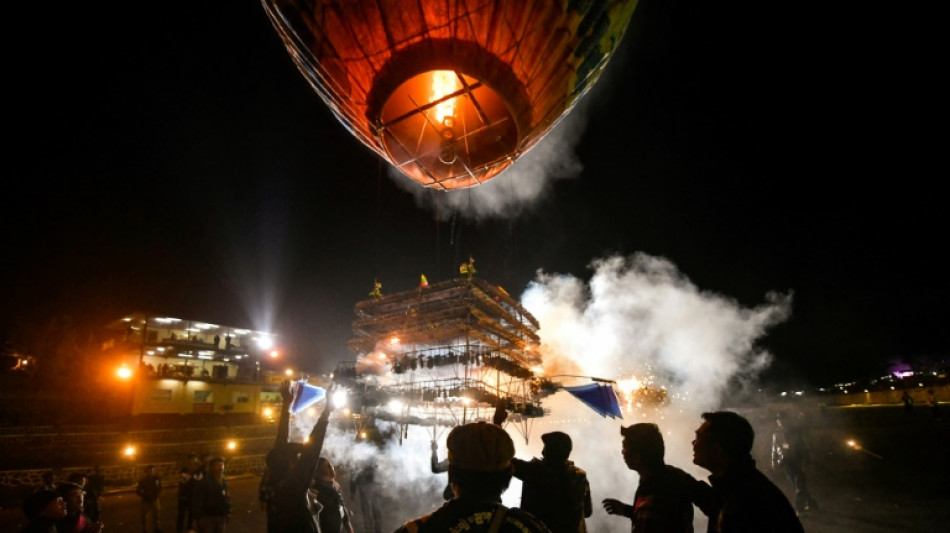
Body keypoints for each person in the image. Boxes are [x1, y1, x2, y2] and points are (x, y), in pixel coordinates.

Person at [393, 421, 552, 533]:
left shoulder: (417, 530)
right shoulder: (531, 527)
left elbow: (435, 467)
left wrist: (434, 450)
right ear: (509, 475)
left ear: (451, 472)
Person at [692, 411, 803, 532]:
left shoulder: (749, 502)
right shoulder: (741, 485)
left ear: (717, 449)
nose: (693, 443)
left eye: (698, 437)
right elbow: (715, 502)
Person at [603, 423, 699, 532]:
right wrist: (627, 510)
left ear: (637, 457)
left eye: (625, 447)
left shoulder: (652, 503)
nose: (622, 452)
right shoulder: (674, 476)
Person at [269, 382, 337, 533]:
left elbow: (280, 442)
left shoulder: (277, 480)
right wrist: (326, 411)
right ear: (291, 463)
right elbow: (312, 452)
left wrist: (286, 405)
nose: (301, 458)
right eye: (298, 457)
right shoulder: (293, 485)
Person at [510, 431, 592, 533]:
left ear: (550, 451)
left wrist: (498, 424)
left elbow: (504, 460)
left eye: (545, 447)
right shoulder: (580, 476)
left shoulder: (534, 471)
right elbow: (587, 512)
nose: (542, 452)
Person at [771, 412, 818, 514]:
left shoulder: (796, 431)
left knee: (799, 485)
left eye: (782, 419)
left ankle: (798, 508)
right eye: (778, 420)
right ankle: (811, 503)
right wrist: (773, 461)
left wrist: (805, 463)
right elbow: (774, 449)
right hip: (787, 462)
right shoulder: (776, 434)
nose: (780, 422)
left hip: (798, 461)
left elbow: (805, 447)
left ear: (787, 420)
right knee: (798, 485)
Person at [315, 457, 355, 533]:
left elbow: (341, 507)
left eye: (330, 464)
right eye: (327, 466)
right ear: (320, 470)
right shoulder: (316, 491)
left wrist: (349, 528)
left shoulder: (335, 487)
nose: (331, 467)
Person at [192, 457, 230, 533]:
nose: (221, 468)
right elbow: (198, 500)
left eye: (222, 465)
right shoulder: (204, 482)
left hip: (220, 516)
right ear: (211, 468)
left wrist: (228, 512)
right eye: (218, 465)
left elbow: (226, 498)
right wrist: (199, 517)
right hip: (208, 517)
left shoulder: (224, 482)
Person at [177, 454, 201, 533]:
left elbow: (199, 480)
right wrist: (192, 475)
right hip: (184, 496)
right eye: (192, 459)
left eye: (195, 459)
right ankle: (179, 530)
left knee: (191, 514)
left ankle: (189, 528)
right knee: (181, 514)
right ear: (188, 460)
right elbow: (183, 480)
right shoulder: (184, 469)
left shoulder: (198, 470)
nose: (194, 461)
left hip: (193, 496)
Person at [137, 464, 163, 533]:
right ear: (147, 471)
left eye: (153, 470)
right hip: (146, 500)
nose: (151, 472)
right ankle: (145, 530)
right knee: (145, 516)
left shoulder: (156, 479)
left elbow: (159, 487)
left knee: (156, 515)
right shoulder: (144, 480)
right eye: (150, 470)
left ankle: (156, 528)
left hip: (154, 499)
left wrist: (157, 495)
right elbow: (138, 490)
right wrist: (144, 495)